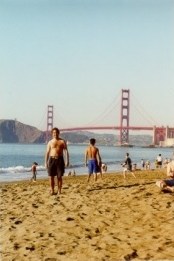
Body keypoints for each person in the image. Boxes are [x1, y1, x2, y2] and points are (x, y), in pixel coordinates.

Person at [45, 127, 69, 195]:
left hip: (60, 160)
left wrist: (67, 161)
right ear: (52, 134)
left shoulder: (62, 141)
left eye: (56, 132)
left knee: (59, 176)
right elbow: (47, 152)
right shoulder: (50, 142)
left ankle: (59, 190)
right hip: (51, 159)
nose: (55, 134)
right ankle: (52, 190)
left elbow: (66, 151)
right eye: (54, 133)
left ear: (58, 133)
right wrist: (45, 162)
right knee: (51, 176)